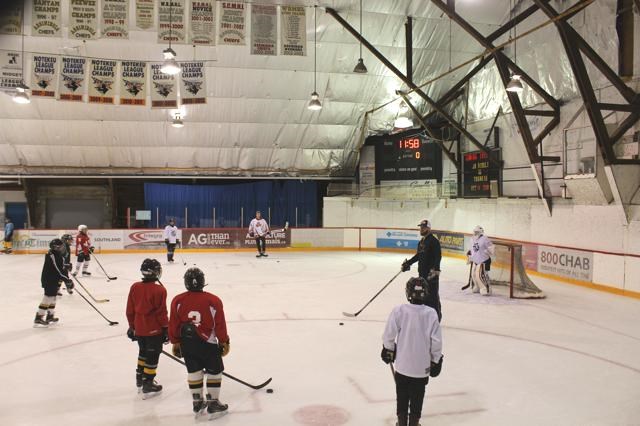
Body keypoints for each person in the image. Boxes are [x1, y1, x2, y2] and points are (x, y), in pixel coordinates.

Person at [381, 277, 443, 426]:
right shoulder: (431, 313)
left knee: (401, 394)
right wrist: (435, 360)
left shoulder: (399, 311)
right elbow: (436, 342)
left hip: (402, 366)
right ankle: (414, 423)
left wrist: (388, 349)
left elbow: (388, 335)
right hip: (421, 369)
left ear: (408, 293)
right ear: (426, 293)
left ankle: (402, 422)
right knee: (418, 395)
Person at [169, 267, 230, 417]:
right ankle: (213, 403)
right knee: (214, 372)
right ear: (202, 282)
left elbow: (173, 324)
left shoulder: (178, 300)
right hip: (207, 343)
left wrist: (175, 342)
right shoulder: (213, 300)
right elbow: (219, 324)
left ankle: (197, 402)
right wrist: (224, 341)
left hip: (187, 344)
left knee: (194, 371)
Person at [126, 258, 169, 399]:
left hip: (139, 328)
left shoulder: (135, 287)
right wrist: (166, 328)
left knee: (143, 352)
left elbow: (130, 310)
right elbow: (161, 313)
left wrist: (132, 327)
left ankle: (140, 376)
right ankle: (148, 382)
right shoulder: (160, 290)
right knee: (153, 355)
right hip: (154, 330)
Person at [401, 220, 442, 321]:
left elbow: (438, 256)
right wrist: (408, 263)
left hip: (431, 275)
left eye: (423, 227)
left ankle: (436, 319)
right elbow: (419, 255)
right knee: (424, 297)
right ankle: (426, 318)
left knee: (433, 297)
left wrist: (435, 270)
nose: (421, 229)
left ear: (429, 228)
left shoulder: (433, 241)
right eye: (421, 227)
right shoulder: (421, 242)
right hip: (422, 274)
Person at [34, 239, 74, 327]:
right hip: (49, 280)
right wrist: (67, 280)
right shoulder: (52, 255)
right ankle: (39, 317)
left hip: (54, 279)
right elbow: (58, 269)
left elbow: (59, 266)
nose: (63, 248)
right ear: (55, 247)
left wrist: (66, 266)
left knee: (53, 298)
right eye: (61, 247)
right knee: (48, 298)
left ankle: (50, 316)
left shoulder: (57, 254)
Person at [467, 226, 495, 296]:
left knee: (480, 275)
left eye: (477, 232)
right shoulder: (472, 239)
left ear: (481, 232)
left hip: (483, 260)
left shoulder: (485, 239)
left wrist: (488, 251)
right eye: (475, 232)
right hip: (475, 261)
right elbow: (472, 249)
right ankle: (477, 286)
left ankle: (486, 289)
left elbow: (491, 248)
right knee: (473, 275)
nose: (475, 233)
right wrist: (470, 255)